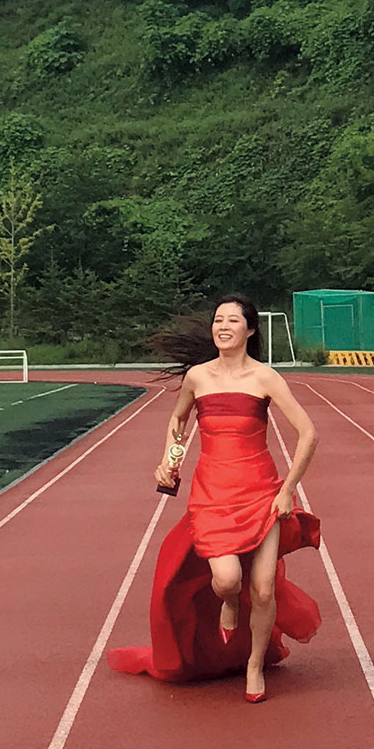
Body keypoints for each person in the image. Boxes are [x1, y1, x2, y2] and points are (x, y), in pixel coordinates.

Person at [107, 295, 321, 702]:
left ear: (250, 329)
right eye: (218, 320)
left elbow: (308, 433)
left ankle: (254, 666)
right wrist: (169, 462)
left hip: (260, 493)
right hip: (212, 495)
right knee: (227, 580)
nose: (223, 326)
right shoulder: (197, 377)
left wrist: (287, 490)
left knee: (263, 590)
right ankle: (230, 603)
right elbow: (179, 419)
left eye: (233, 320)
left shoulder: (265, 378)